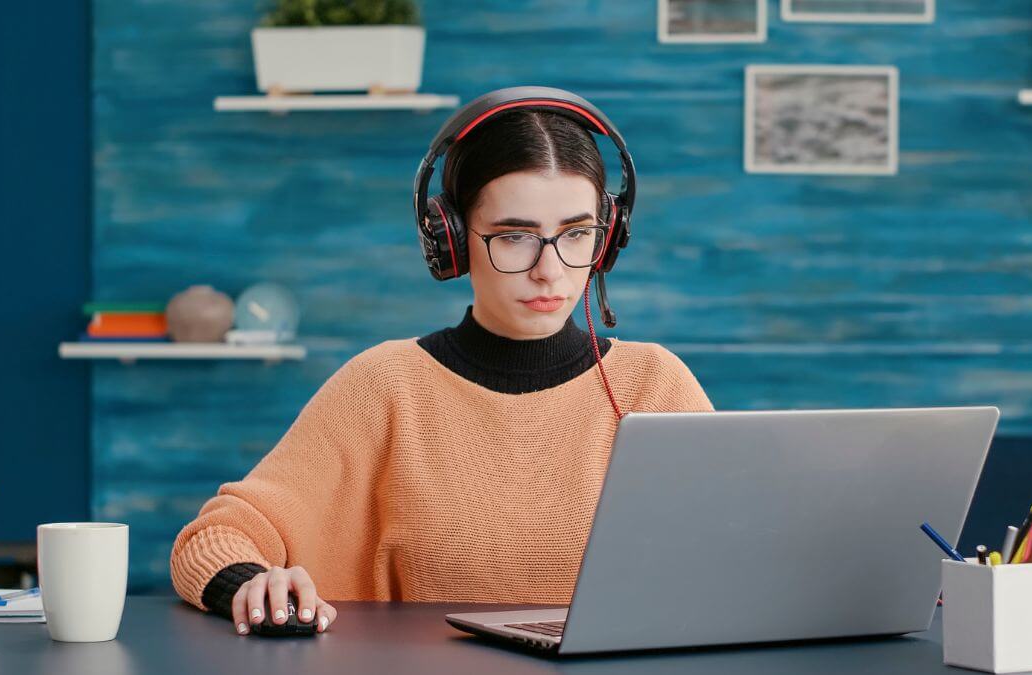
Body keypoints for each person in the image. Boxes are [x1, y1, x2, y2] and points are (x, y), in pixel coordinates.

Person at [168, 90, 714, 637]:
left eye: (576, 233)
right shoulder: (383, 385)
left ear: (609, 234)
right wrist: (249, 583)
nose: (551, 269)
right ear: (450, 239)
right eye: (515, 236)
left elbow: (739, 549)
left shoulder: (655, 386)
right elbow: (215, 537)